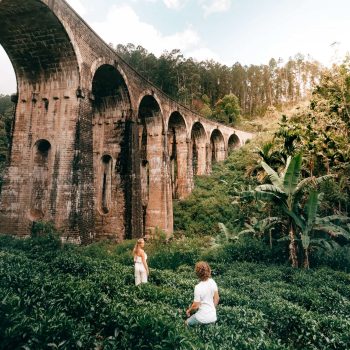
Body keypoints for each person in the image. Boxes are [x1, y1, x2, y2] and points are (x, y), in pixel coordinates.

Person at [185, 261, 219, 326]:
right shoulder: (212, 282)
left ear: (197, 273)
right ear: (208, 270)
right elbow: (217, 298)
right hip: (213, 318)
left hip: (202, 318)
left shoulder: (198, 287)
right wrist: (211, 309)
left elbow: (196, 306)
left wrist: (188, 311)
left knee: (186, 323)